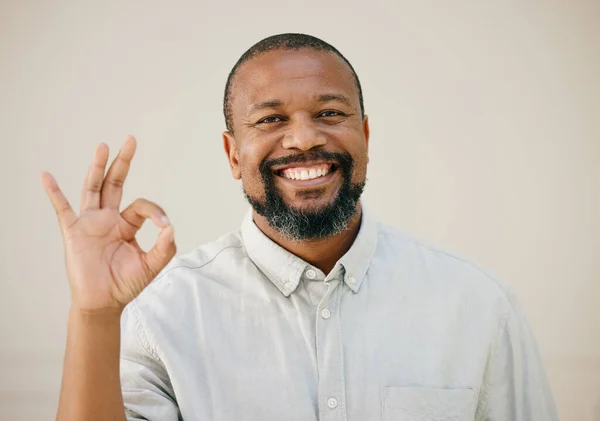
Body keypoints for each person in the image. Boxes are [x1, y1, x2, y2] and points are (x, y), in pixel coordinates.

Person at [41, 33, 559, 421]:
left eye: (330, 112)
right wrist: (93, 315)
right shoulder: (162, 317)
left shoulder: (480, 306)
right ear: (232, 154)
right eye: (270, 120)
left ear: (365, 135)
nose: (304, 139)